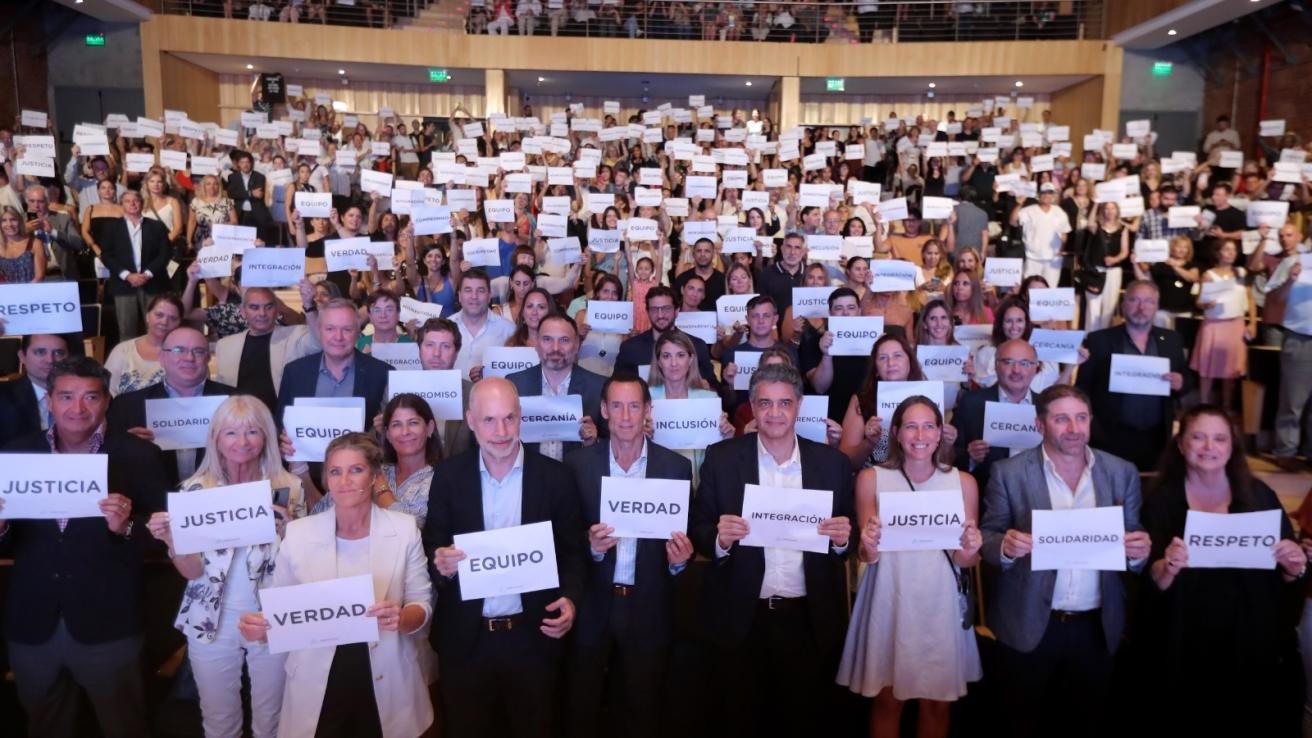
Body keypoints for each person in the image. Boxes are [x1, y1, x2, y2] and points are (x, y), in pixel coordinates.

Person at [0, 355, 169, 738]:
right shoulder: (15, 456)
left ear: (107, 401)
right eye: (66, 397)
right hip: (32, 624)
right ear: (49, 401)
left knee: (124, 726)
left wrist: (127, 527)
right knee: (44, 726)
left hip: (109, 625)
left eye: (90, 397)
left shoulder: (139, 455)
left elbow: (166, 538)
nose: (77, 408)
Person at [689, 362, 854, 738]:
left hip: (807, 620)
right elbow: (698, 525)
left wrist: (844, 539)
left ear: (798, 406)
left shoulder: (832, 464)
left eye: (784, 404)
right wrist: (719, 539)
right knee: (742, 718)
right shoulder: (722, 458)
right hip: (741, 619)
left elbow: (850, 535)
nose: (775, 413)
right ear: (753, 407)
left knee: (802, 719)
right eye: (765, 404)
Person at [979, 384, 1151, 738]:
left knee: (1085, 722)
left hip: (1096, 625)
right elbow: (988, 537)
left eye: (1081, 418)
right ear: (1040, 425)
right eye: (1061, 419)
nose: (1074, 428)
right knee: (1019, 722)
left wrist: (1140, 553)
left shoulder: (1122, 472)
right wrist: (1006, 546)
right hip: (1026, 623)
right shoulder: (1008, 473)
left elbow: (1132, 538)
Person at [238, 433, 434, 738]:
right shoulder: (299, 535)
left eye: (356, 470)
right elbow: (278, 614)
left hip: (386, 674)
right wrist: (262, 630)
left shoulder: (404, 529)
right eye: (335, 471)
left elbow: (422, 605)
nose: (344, 480)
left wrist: (403, 617)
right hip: (317, 678)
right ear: (326, 479)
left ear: (374, 476)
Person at [423, 377, 585, 738]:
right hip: (466, 642)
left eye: (509, 419)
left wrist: (571, 602)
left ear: (521, 418)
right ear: (470, 420)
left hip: (532, 639)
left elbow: (574, 554)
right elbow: (433, 543)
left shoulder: (556, 478)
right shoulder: (448, 477)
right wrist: (442, 563)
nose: (500, 431)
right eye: (489, 420)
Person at [1135, 405, 1306, 737]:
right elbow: (1148, 582)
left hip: (1249, 642)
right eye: (1198, 437)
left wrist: (1294, 565)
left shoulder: (1261, 495)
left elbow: (1289, 577)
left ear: (1232, 448)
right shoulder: (1160, 499)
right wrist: (1167, 565)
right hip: (1183, 644)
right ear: (1181, 445)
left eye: (1219, 439)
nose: (1209, 447)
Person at [144, 395, 303, 738]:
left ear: (267, 437)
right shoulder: (193, 491)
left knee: (272, 720)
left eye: (252, 432)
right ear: (215, 438)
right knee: (218, 722)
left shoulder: (290, 489)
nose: (242, 442)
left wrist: (292, 533)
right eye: (231, 433)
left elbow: (305, 567)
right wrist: (172, 542)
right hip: (211, 620)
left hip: (273, 617)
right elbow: (192, 572)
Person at [837, 396, 983, 738]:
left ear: (940, 433)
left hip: (941, 600)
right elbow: (866, 556)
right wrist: (869, 543)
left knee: (938, 702)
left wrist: (971, 547)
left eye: (929, 425)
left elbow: (966, 560)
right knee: (888, 700)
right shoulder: (872, 479)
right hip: (889, 594)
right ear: (897, 433)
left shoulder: (963, 483)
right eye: (911, 426)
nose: (921, 434)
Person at [563, 374, 694, 738]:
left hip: (648, 604)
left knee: (642, 706)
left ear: (647, 411)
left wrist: (679, 560)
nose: (625, 416)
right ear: (604, 410)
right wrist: (589, 545)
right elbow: (564, 538)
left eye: (634, 406)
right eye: (617, 406)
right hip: (592, 603)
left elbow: (685, 538)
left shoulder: (675, 469)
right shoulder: (577, 466)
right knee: (583, 704)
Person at [1076, 280, 1190, 470]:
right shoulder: (1099, 340)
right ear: (1123, 304)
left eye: (1149, 302)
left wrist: (1181, 382)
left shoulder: (1172, 340)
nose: (1141, 307)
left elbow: (1187, 380)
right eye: (1134, 300)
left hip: (1156, 439)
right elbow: (1082, 387)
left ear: (1156, 307)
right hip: (1109, 438)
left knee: (1149, 494)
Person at [106, 326, 236, 488]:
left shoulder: (235, 401)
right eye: (178, 350)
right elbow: (106, 458)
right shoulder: (126, 406)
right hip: (151, 507)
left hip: (217, 502)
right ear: (161, 357)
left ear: (208, 358)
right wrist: (126, 444)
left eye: (198, 351)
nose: (189, 357)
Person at [313, 393, 444, 529]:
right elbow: (319, 515)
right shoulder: (371, 470)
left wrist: (379, 483)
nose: (405, 432)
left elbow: (411, 527)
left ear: (429, 428)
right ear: (387, 434)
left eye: (413, 423)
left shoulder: (443, 479)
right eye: (396, 425)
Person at [276, 296, 393, 431]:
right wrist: (284, 440)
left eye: (347, 329)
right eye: (330, 329)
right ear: (320, 331)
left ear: (358, 332)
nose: (338, 337)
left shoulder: (382, 374)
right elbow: (281, 425)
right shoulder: (294, 372)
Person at [506, 314, 606, 460]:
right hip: (528, 477)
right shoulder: (515, 384)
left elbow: (614, 445)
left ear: (577, 345)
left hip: (576, 478)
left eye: (564, 340)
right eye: (547, 339)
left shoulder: (599, 387)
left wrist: (593, 442)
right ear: (537, 344)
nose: (555, 348)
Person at [214, 285, 320, 412]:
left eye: (268, 307)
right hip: (242, 422)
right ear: (242, 311)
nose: (262, 313)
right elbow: (221, 395)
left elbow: (319, 344)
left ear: (277, 309)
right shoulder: (225, 346)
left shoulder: (296, 334)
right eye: (254, 307)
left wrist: (309, 305)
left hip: (283, 421)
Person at [953, 338, 1042, 489]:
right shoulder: (971, 403)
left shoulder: (1046, 408)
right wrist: (971, 458)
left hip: (1035, 496)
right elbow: (951, 454)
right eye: (1008, 362)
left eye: (1025, 363)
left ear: (1035, 368)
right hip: (985, 495)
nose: (1016, 370)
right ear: (996, 366)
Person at [1260, 245, 1312, 471]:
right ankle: (1286, 451)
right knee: (1292, 400)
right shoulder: (1293, 262)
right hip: (1300, 337)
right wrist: (1291, 280)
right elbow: (1273, 298)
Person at [101, 190, 173, 341]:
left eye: (136, 200)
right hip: (123, 285)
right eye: (128, 201)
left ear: (141, 203)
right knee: (127, 331)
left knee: (157, 329)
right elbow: (106, 255)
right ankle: (129, 364)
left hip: (153, 283)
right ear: (122, 205)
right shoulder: (111, 227)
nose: (132, 204)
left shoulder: (156, 226)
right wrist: (127, 275)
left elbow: (165, 253)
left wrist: (147, 274)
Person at [1191, 238, 1256, 407]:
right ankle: (1204, 403)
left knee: (1231, 368)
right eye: (1227, 249)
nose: (1231, 253)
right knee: (1207, 367)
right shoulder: (1208, 275)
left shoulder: (1241, 273)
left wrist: (1253, 323)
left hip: (1235, 324)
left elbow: (1250, 298)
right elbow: (1199, 302)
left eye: (1233, 250)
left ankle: (1226, 407)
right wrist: (1206, 303)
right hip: (1214, 324)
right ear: (1218, 252)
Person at [614, 285, 717, 386]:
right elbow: (616, 388)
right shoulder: (630, 348)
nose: (660, 315)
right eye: (654, 309)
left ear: (676, 311)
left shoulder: (697, 346)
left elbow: (715, 390)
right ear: (647, 312)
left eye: (666, 309)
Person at [721, 295, 796, 412]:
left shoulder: (789, 354)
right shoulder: (731, 354)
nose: (761, 321)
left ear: (775, 319)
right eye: (755, 316)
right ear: (747, 319)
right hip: (742, 419)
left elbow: (796, 395)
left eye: (766, 315)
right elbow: (726, 405)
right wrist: (731, 386)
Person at [414, 316, 476, 457]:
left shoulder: (473, 393)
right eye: (430, 345)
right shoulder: (398, 389)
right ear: (419, 349)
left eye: (445, 346)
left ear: (456, 353)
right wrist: (381, 428)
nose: (436, 354)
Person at [103, 292, 183, 397]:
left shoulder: (187, 353)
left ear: (179, 323)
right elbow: (106, 390)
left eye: (172, 318)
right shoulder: (122, 350)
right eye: (159, 315)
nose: (164, 322)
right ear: (147, 316)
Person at [0, 333, 69, 445]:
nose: (50, 360)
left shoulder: (91, 396)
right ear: (22, 356)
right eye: (40, 352)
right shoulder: (2, 396)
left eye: (58, 353)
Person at [449, 268, 516, 381]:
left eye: (480, 290)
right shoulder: (446, 328)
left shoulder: (509, 330)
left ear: (489, 296)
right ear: (459, 296)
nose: (474, 296)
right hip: (450, 396)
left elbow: (517, 374)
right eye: (468, 290)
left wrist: (492, 372)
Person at [1080, 200, 1129, 332]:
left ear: (1117, 211)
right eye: (1107, 208)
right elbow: (1089, 223)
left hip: (1114, 272)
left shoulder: (1123, 229)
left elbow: (1125, 252)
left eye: (1113, 208)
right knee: (1092, 307)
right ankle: (1089, 339)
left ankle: (1102, 338)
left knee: (1109, 308)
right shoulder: (1097, 226)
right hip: (1095, 271)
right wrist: (1096, 203)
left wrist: (1115, 259)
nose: (1110, 211)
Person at [21, 184, 85, 280]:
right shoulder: (19, 222)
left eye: (40, 201)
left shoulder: (63, 218)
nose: (36, 206)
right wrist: (24, 232)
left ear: (48, 202)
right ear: (27, 202)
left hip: (60, 275)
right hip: (32, 277)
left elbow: (79, 244)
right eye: (32, 201)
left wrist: (53, 232)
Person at [1013, 182, 1071, 285]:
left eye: (1049, 193)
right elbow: (1013, 221)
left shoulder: (1060, 212)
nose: (1046, 195)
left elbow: (1065, 233)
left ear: (1053, 195)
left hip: (1053, 259)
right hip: (1032, 258)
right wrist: (1019, 204)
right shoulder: (1028, 210)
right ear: (1039, 195)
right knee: (1029, 289)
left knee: (1050, 290)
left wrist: (1061, 249)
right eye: (1044, 192)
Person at [226, 151, 273, 228]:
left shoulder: (260, 177)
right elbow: (232, 193)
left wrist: (242, 194)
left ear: (251, 163)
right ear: (238, 164)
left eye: (247, 162)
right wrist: (250, 193)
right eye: (242, 162)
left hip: (256, 214)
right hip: (239, 213)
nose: (245, 165)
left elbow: (259, 194)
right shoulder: (232, 177)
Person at [0, 206, 45, 283]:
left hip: (32, 291)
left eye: (13, 219)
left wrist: (23, 292)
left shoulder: (35, 243)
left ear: (20, 221)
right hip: (7, 293)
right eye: (4, 220)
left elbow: (39, 277)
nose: (9, 224)